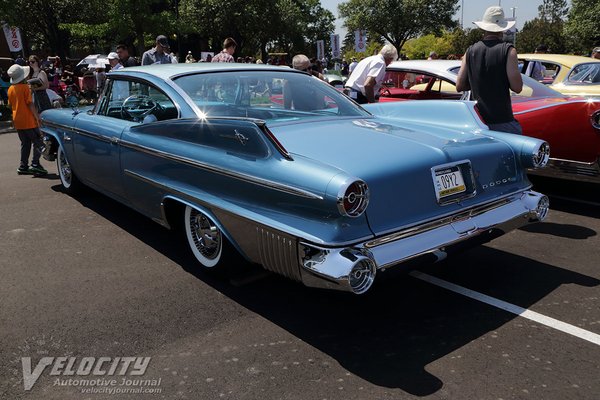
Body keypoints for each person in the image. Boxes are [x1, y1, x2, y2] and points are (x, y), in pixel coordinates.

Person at [456, 6, 523, 134]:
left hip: (478, 121)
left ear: (484, 28)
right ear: (502, 30)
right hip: (502, 120)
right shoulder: (509, 50)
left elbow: (459, 85)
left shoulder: (470, 51)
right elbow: (517, 87)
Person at [7, 64, 47, 175]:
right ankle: (35, 164)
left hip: (17, 120)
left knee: (25, 143)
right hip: (28, 120)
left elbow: (10, 105)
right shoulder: (25, 88)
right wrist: (37, 117)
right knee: (38, 141)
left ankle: (23, 166)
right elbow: (30, 104)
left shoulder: (10, 89)